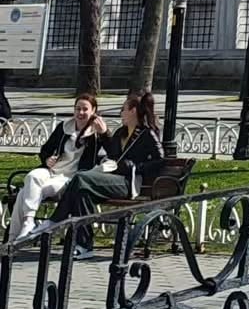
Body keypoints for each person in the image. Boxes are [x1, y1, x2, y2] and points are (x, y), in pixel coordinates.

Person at [7, 93, 111, 246]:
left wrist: (104, 133)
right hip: (51, 171)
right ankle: (28, 223)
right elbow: (45, 150)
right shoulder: (64, 127)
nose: (80, 113)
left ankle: (13, 240)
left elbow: (113, 151)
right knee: (32, 177)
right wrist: (47, 159)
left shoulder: (96, 133)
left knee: (26, 193)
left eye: (85, 109)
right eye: (77, 109)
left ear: (93, 111)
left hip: (70, 178)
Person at [53, 90, 166, 224]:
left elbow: (160, 161)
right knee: (82, 193)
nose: (120, 114)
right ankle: (82, 243)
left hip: (128, 183)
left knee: (80, 177)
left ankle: (55, 221)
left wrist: (135, 167)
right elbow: (113, 155)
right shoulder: (121, 132)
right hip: (113, 178)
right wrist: (104, 133)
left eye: (123, 109)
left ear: (133, 111)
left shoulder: (147, 134)